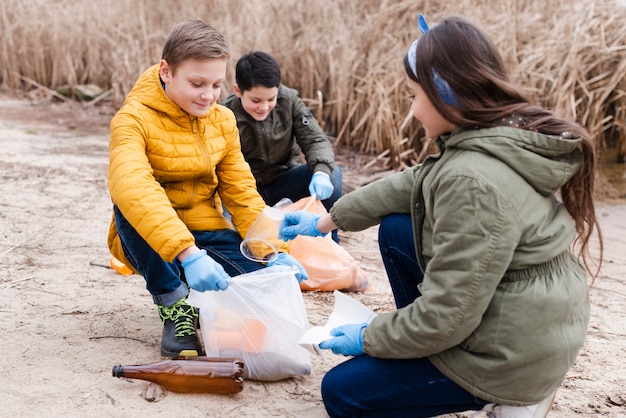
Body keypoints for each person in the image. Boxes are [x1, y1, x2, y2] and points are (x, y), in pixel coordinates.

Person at [279, 13, 603, 418]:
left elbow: (446, 317)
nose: (413, 110)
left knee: (342, 393)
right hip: (532, 318)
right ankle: (424, 354)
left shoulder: (471, 182)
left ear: (447, 94)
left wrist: (369, 336)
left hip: (512, 353)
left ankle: (509, 399)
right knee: (398, 229)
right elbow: (415, 182)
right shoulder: (495, 134)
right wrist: (329, 220)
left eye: (414, 95)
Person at [107, 20, 306, 358]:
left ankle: (202, 295)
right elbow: (132, 186)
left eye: (216, 84)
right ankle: (174, 305)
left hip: (205, 231)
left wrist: (273, 251)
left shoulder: (223, 120)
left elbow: (240, 190)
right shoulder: (132, 119)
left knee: (257, 285)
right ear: (166, 71)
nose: (209, 96)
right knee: (129, 201)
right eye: (197, 83)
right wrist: (188, 254)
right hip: (148, 238)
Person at [222, 51, 342, 242]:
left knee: (332, 173)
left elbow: (316, 140)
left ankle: (331, 241)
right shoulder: (224, 113)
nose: (264, 107)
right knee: (227, 229)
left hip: (284, 183)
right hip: (245, 192)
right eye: (256, 100)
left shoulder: (290, 101)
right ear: (238, 91)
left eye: (271, 99)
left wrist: (321, 173)